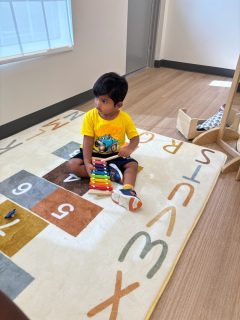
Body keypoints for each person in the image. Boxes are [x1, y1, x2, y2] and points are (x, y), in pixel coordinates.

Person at [67, 72, 142, 212]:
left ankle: (127, 190)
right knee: (72, 165)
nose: (97, 104)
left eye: (104, 101)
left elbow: (135, 138)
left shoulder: (124, 118)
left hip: (115, 154)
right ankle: (109, 172)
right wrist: (88, 162)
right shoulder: (91, 116)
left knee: (132, 165)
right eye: (96, 98)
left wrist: (130, 149)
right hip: (93, 153)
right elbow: (87, 141)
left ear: (118, 105)